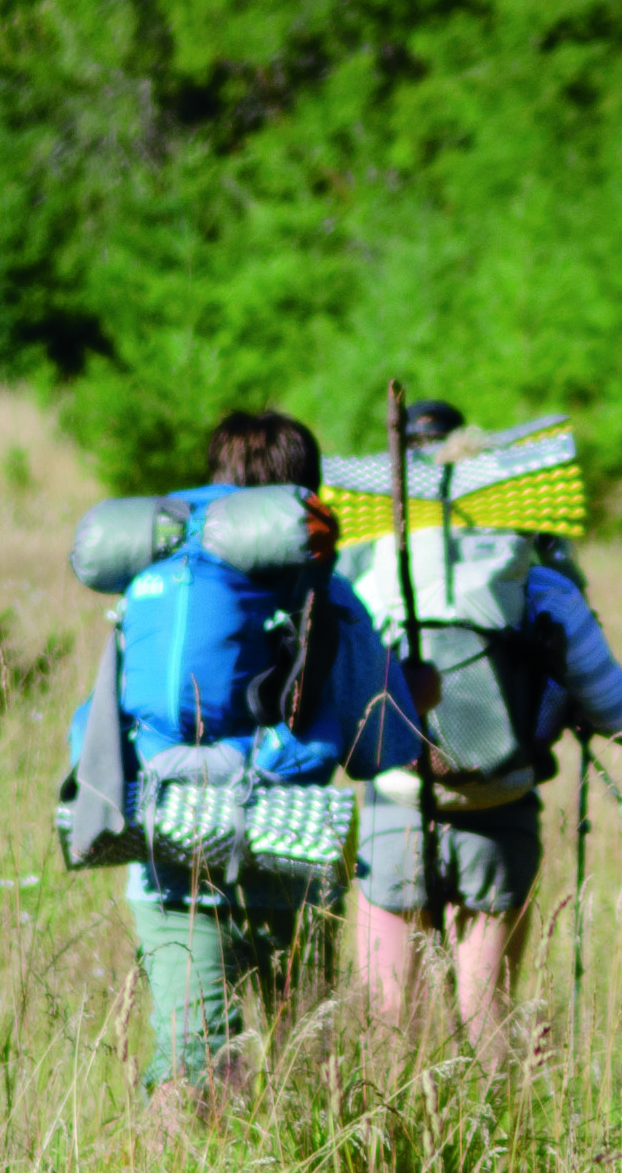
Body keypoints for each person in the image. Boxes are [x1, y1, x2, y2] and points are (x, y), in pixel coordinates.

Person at [123, 406, 413, 1130]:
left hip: (171, 853)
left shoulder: (158, 585)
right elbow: (385, 746)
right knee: (304, 1062)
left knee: (193, 1065)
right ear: (305, 497)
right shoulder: (333, 597)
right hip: (291, 856)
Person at [345, 397, 622, 1063]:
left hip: (394, 807)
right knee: (489, 1020)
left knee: (391, 1024)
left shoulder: (369, 575)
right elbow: (618, 712)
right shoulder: (538, 583)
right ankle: (505, 1153)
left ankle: (404, 1154)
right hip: (501, 814)